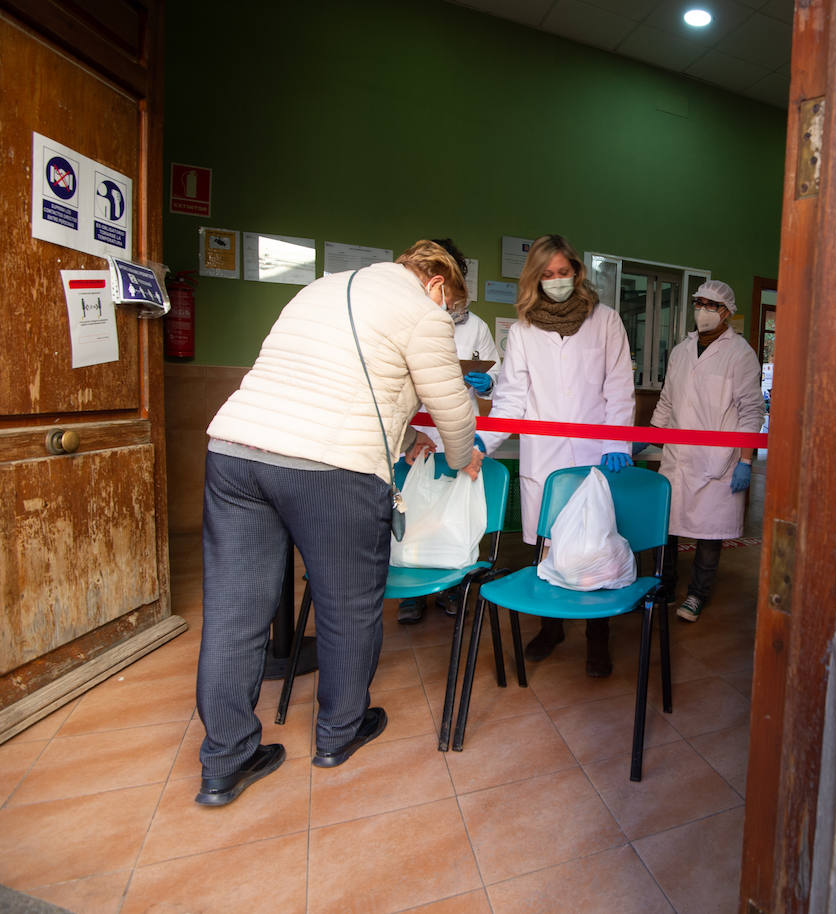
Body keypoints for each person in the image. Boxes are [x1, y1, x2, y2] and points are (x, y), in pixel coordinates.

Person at [193, 240, 482, 806]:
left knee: (233, 614)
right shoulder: (423, 310)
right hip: (331, 471)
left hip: (236, 451)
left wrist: (404, 437)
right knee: (347, 605)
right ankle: (338, 732)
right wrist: (458, 453)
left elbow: (338, 385)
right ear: (440, 285)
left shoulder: (318, 289)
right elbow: (452, 406)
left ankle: (224, 762)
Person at [476, 233, 634, 677]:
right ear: (534, 279)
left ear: (577, 273)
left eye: (563, 273)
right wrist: (480, 443)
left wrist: (616, 443)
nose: (557, 281)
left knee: (594, 548)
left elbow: (619, 389)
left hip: (595, 456)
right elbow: (510, 399)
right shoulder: (524, 329)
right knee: (547, 550)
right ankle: (552, 627)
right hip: (544, 459)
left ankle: (597, 638)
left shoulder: (605, 321)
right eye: (547, 275)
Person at [642, 279, 764, 622]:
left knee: (709, 533)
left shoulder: (740, 354)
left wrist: (745, 460)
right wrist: (650, 434)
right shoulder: (682, 350)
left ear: (726, 312)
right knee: (665, 526)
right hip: (678, 455)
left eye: (711, 305)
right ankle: (664, 586)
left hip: (718, 459)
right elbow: (667, 399)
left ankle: (697, 593)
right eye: (700, 303)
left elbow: (751, 410)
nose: (703, 311)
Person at [395, 238, 501, 624]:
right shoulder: (408, 318)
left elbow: (497, 378)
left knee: (458, 511)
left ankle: (454, 586)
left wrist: (486, 383)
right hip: (418, 433)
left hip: (460, 431)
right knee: (416, 509)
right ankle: (412, 594)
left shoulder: (477, 327)